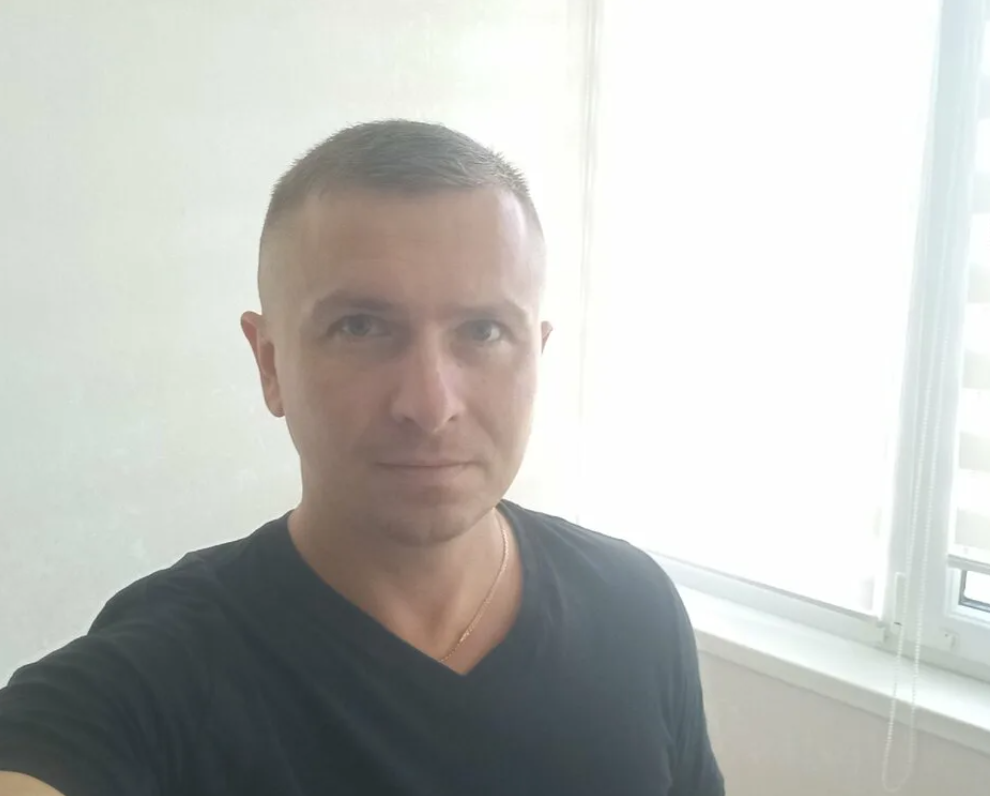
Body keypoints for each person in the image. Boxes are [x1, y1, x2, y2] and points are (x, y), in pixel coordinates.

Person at [0, 120, 725, 796]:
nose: (430, 404)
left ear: (537, 355)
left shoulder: (634, 606)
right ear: (270, 363)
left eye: (483, 331)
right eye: (360, 327)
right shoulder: (159, 675)